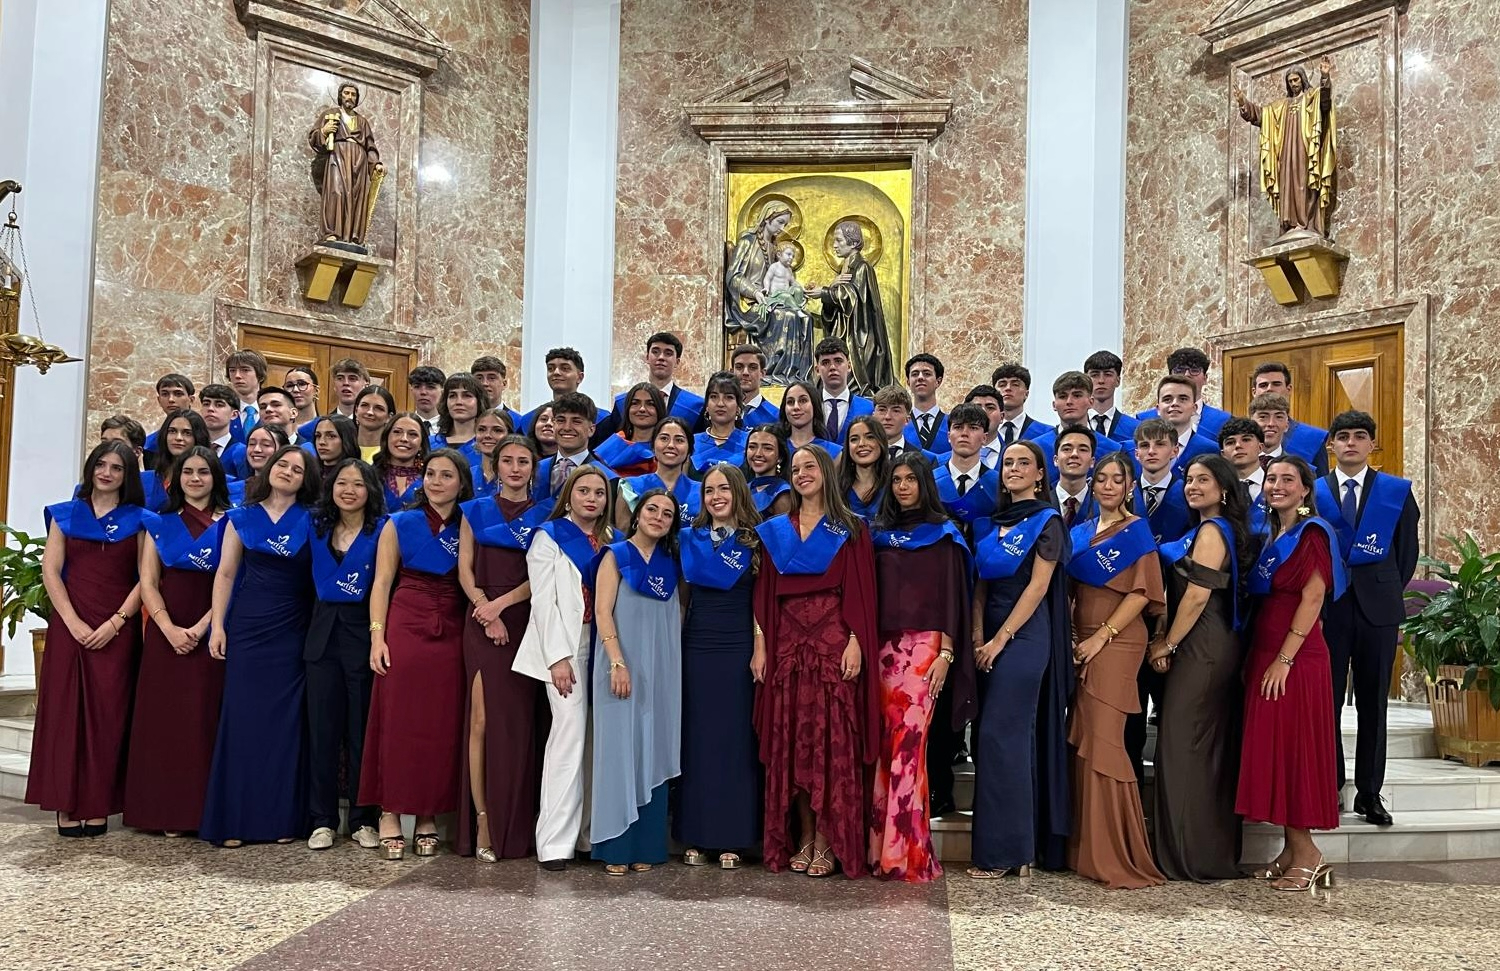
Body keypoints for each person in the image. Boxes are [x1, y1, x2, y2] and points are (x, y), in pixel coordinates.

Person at [753, 445, 879, 878]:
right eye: (795, 469)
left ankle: (828, 839)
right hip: (788, 649)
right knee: (793, 747)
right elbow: (764, 596)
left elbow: (862, 595)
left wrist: (857, 642)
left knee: (830, 745)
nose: (802, 473)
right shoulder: (775, 531)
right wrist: (761, 644)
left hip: (831, 648)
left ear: (826, 472)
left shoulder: (851, 529)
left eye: (810, 467)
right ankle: (804, 836)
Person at [200, 445, 322, 847]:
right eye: (282, 464)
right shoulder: (240, 517)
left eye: (297, 469)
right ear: (269, 469)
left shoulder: (314, 519)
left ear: (307, 480)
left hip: (293, 630)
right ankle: (234, 821)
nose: (288, 472)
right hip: (248, 628)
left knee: (286, 725)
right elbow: (225, 574)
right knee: (242, 721)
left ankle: (282, 819)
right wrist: (218, 626)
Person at [1236, 456, 1346, 892]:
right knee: (1277, 750)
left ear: (1305, 490)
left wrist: (1284, 659)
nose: (1277, 485)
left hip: (1295, 659)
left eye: (1287, 480)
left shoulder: (1313, 532)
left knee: (1295, 750)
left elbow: (1314, 597)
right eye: (1271, 479)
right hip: (1267, 652)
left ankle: (1310, 854)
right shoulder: (1271, 534)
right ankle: (1289, 850)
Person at [27, 441, 146, 838]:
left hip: (117, 629)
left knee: (108, 717)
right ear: (90, 468)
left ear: (127, 475)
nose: (107, 473)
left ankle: (97, 805)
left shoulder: (140, 519)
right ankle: (65, 803)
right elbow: (51, 572)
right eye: (101, 464)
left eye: (117, 467)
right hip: (70, 627)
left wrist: (116, 622)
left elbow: (146, 580)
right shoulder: (65, 514)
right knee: (64, 716)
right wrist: (72, 622)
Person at [360, 449, 473, 860]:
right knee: (398, 719)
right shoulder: (399, 522)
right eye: (430, 474)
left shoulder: (469, 523)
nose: (436, 481)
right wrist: (377, 637)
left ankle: (426, 815)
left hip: (453, 625)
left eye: (446, 475)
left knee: (439, 724)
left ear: (462, 483)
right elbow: (381, 584)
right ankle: (389, 811)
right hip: (406, 622)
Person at [1148, 454, 1255, 882]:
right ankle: (1199, 850)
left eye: (1203, 480)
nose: (1192, 486)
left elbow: (1195, 597)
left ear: (1224, 488)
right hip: (1204, 641)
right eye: (1189, 479)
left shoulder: (1213, 530)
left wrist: (1167, 643)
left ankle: (1191, 856)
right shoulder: (1205, 528)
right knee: (1197, 748)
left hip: (1202, 644)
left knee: (1183, 744)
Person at [969, 439, 1072, 878]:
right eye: (1008, 462)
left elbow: (1038, 587)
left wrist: (999, 640)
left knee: (1000, 736)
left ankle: (1005, 853)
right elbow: (979, 586)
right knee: (999, 741)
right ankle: (1019, 849)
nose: (1013, 469)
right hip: (987, 634)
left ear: (1039, 474)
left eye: (1023, 463)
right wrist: (978, 635)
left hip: (1025, 637)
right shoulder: (990, 523)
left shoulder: (1046, 520)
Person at [1063, 452, 1166, 889]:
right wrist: (1072, 635)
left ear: (1129, 487)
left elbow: (1142, 594)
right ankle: (1085, 848)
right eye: (1100, 478)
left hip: (1118, 640)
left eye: (1116, 479)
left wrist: (1099, 636)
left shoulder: (1136, 531)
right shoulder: (1081, 532)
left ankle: (1117, 852)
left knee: (1105, 740)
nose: (1107, 485)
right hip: (1081, 639)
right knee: (1085, 737)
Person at [868, 454, 973, 882]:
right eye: (897, 480)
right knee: (884, 749)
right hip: (882, 649)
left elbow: (954, 599)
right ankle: (880, 849)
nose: (903, 486)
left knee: (910, 747)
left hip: (924, 650)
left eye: (912, 479)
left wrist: (946, 655)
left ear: (925, 484)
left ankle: (905, 853)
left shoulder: (944, 536)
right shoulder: (879, 535)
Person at [1314, 410, 1419, 826]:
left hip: (1378, 612)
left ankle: (1370, 794)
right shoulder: (1316, 491)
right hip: (1329, 610)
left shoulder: (1394, 492)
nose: (1351, 443)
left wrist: (1381, 587)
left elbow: (1406, 553)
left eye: (1361, 436)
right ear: (1331, 445)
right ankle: (1332, 784)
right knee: (1328, 702)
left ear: (1373, 444)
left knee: (1375, 704)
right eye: (1343, 437)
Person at [513, 465, 619, 870]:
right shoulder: (550, 536)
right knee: (568, 737)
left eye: (599, 492)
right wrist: (557, 657)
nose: (591, 498)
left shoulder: (609, 540)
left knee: (597, 741)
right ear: (569, 495)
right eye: (584, 490)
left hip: (603, 643)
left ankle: (588, 836)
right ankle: (555, 842)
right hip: (565, 646)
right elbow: (542, 602)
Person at [123, 446, 230, 837]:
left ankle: (199, 811)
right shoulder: (159, 523)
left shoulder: (230, 522)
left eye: (204, 472)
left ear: (215, 477)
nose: (196, 479)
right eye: (188, 472)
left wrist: (203, 627)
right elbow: (148, 582)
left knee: (202, 721)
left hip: (211, 632)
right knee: (164, 723)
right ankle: (161, 811)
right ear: (175, 479)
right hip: (166, 637)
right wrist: (167, 628)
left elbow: (231, 579)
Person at [457, 435, 553, 861]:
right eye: (508, 461)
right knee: (481, 720)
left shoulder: (546, 513)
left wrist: (502, 605)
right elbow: (464, 568)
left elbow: (547, 574)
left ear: (534, 469)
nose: (515, 468)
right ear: (494, 467)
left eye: (524, 462)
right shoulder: (474, 510)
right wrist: (485, 609)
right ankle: (482, 817)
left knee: (518, 725)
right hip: (481, 622)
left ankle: (515, 822)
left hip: (527, 619)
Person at [589, 489, 684, 874]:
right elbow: (602, 611)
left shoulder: (671, 563)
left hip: (660, 670)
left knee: (654, 750)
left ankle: (647, 844)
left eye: (666, 513)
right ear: (638, 512)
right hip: (620, 666)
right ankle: (615, 846)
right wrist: (617, 662)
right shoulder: (615, 555)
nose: (658, 517)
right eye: (652, 509)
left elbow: (676, 617)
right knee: (618, 753)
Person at [676, 465, 763, 869]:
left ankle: (733, 835)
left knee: (734, 740)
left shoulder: (756, 540)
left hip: (739, 644)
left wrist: (759, 648)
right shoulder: (687, 539)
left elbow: (762, 601)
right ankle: (696, 833)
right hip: (697, 644)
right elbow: (682, 598)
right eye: (709, 490)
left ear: (738, 492)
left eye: (724, 488)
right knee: (698, 737)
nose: (715, 496)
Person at [303, 459, 387, 852]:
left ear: (370, 489)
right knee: (322, 731)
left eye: (358, 483)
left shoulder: (382, 530)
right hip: (321, 639)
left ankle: (362, 818)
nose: (349, 490)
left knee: (360, 732)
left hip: (362, 638)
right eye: (341, 483)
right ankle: (321, 819)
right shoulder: (316, 527)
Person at [724, 201, 811, 383]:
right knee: (784, 316)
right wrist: (755, 292)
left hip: (767, 299)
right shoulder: (748, 241)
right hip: (746, 303)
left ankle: (794, 375)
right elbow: (733, 277)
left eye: (785, 224)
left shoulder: (773, 248)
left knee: (802, 317)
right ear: (767, 218)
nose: (782, 228)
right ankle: (773, 372)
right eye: (780, 222)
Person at [808, 222, 894, 394]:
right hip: (845, 331)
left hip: (858, 334)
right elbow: (839, 302)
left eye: (839, 241)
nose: (834, 245)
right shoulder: (845, 269)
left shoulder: (862, 267)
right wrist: (828, 292)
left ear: (853, 243)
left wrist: (825, 293)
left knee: (853, 382)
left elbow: (855, 299)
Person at [307, 81, 383, 247]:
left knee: (357, 197)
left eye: (353, 94)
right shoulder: (330, 114)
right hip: (338, 157)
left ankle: (353, 236)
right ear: (340, 96)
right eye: (346, 93)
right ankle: (332, 233)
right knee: (336, 192)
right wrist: (324, 131)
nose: (350, 97)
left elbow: (370, 146)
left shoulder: (362, 122)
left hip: (359, 162)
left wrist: (375, 164)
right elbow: (314, 137)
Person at [615, 417, 700, 530]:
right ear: (653, 447)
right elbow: (623, 535)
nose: (671, 445)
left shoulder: (702, 491)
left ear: (689, 450)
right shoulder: (630, 488)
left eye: (679, 440)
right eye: (664, 438)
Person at [533, 392, 619, 502]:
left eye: (576, 421)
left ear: (591, 429)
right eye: (561, 420)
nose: (567, 427)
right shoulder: (536, 470)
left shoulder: (607, 478)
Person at [1026, 371, 1129, 464]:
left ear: (1091, 402)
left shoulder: (1112, 449)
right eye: (1062, 396)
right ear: (1054, 405)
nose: (1069, 402)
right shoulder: (1036, 448)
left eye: (1077, 395)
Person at [611, 332, 704, 430]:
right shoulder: (623, 403)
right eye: (655, 352)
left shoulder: (694, 407)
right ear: (647, 357)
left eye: (668, 353)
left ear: (677, 362)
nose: (661, 357)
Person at [518, 348, 611, 443]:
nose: (556, 372)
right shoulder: (528, 419)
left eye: (565, 368)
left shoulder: (602, 419)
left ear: (580, 377)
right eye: (551, 368)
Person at [1136, 348, 1231, 441]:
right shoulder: (1144, 419)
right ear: (1169, 376)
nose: (1186, 375)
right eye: (1179, 370)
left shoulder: (1223, 420)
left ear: (1205, 378)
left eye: (1194, 370)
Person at [1250, 363, 1329, 474]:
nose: (1269, 389)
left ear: (1289, 389)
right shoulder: (1238, 436)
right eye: (1263, 385)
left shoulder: (1312, 438)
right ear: (1254, 392)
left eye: (1276, 384)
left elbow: (1319, 485)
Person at [933, 403, 1001, 530]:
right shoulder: (929, 481)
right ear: (948, 436)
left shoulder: (998, 485)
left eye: (973, 428)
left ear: (985, 438)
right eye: (958, 427)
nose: (964, 433)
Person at [143, 410, 211, 511]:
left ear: (198, 437)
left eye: (187, 433)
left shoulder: (206, 479)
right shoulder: (147, 478)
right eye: (172, 431)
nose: (178, 438)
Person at [595, 383, 664, 477]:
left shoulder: (665, 448)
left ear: (659, 410)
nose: (642, 409)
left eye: (650, 404)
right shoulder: (613, 445)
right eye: (635, 403)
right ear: (627, 409)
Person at [1155, 375, 1220, 476]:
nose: (1174, 403)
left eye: (1183, 399)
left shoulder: (1211, 450)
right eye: (1167, 399)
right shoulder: (1136, 449)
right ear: (1158, 409)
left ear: (1194, 408)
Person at [813, 338, 874, 442]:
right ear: (817, 370)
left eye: (838, 361)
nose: (832, 367)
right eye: (825, 362)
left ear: (849, 366)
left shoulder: (869, 408)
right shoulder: (808, 407)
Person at [373, 413, 430, 511]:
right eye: (397, 432)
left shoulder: (430, 479)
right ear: (386, 438)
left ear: (421, 444)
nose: (404, 439)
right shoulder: (369, 476)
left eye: (413, 434)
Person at [837, 415, 888, 523]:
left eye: (870, 437)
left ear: (881, 442)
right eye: (854, 439)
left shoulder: (894, 483)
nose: (862, 444)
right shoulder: (835, 486)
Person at [692, 372, 747, 471]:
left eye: (729, 397)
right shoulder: (692, 442)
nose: (720, 403)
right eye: (714, 397)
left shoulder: (749, 442)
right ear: (707, 406)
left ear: (738, 407)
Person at [140, 373, 196, 464]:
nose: (171, 399)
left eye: (178, 394)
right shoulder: (149, 444)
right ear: (159, 400)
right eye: (165, 394)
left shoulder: (207, 435)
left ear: (191, 399)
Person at [1084, 350, 1138, 442]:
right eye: (1094, 375)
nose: (1101, 380)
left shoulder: (1135, 428)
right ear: (1085, 380)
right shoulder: (1073, 426)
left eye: (1108, 374)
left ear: (1118, 380)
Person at [777, 380, 841, 458]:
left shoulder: (834, 453)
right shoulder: (775, 449)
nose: (796, 407)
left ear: (814, 405)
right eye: (790, 402)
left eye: (803, 401)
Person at [743, 425, 793, 519]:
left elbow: (783, 533)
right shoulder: (743, 489)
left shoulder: (783, 494)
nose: (758, 454)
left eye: (767, 448)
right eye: (752, 447)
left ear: (780, 457)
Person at [1219, 416, 1269, 507]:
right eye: (1230, 442)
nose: (1238, 445)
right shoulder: (1217, 488)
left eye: (1246, 440)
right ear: (1223, 454)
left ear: (1260, 447)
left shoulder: (1275, 485)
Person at [1054, 425, 1098, 522]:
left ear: (1092, 462)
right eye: (1067, 449)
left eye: (1082, 450)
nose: (1074, 454)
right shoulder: (1039, 503)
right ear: (1056, 460)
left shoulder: (1102, 505)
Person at [904, 354, 948, 451]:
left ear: (938, 381)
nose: (920, 377)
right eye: (915, 374)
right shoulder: (901, 424)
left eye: (927, 374)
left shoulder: (952, 424)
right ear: (908, 382)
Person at [467, 408, 515, 497]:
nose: (488, 435)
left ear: (510, 435)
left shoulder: (516, 476)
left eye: (497, 430)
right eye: (481, 429)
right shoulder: (467, 476)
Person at [990, 363, 1041, 447]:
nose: (1008, 388)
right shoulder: (983, 433)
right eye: (1002, 385)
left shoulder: (1045, 433)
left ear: (1026, 394)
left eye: (1015, 384)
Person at [732, 343, 780, 428]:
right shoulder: (721, 413)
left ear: (762, 373)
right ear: (732, 372)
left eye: (752, 367)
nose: (745, 372)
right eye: (739, 367)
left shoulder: (776, 416)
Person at [436, 373, 488, 452]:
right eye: (452, 396)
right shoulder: (431, 443)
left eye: (467, 396)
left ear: (479, 401)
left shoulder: (489, 443)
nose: (459, 402)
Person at [224, 349, 268, 433]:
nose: (237, 375)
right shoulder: (224, 410)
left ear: (260, 375)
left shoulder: (272, 410)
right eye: (232, 370)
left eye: (245, 370)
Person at [469, 356, 521, 427]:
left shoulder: (518, 422)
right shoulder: (466, 420)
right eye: (479, 378)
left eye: (492, 378)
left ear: (504, 384)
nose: (485, 383)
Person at [352, 385, 396, 461]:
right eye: (364, 405)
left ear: (389, 417)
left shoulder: (394, 454)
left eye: (378, 408)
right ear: (356, 410)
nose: (370, 412)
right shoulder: (342, 450)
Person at [309, 414, 360, 479]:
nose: (321, 442)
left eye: (331, 436)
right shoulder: (308, 475)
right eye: (318, 436)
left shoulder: (359, 475)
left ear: (346, 439)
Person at [408, 365, 447, 438]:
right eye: (417, 387)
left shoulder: (452, 427)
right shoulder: (403, 424)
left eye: (431, 387)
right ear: (411, 390)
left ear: (442, 391)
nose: (423, 392)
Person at [285, 367, 321, 436]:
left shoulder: (327, 426)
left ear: (316, 391)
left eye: (302, 384)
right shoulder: (278, 428)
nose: (295, 390)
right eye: (290, 385)